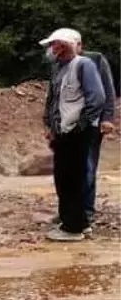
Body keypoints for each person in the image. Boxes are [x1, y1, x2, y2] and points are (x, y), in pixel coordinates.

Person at [41, 28, 106, 242]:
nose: (51, 49)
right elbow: (54, 100)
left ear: (65, 45)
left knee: (74, 179)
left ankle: (73, 227)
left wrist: (81, 126)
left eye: (54, 45)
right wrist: (50, 125)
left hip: (77, 133)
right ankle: (73, 220)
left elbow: (96, 98)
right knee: (64, 178)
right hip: (63, 133)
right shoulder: (59, 68)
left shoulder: (83, 65)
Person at [75, 35, 116, 226]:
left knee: (87, 166)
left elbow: (107, 91)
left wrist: (107, 118)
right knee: (69, 170)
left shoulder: (96, 60)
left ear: (79, 45)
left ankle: (86, 211)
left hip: (91, 124)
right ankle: (71, 209)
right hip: (67, 125)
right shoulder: (60, 64)